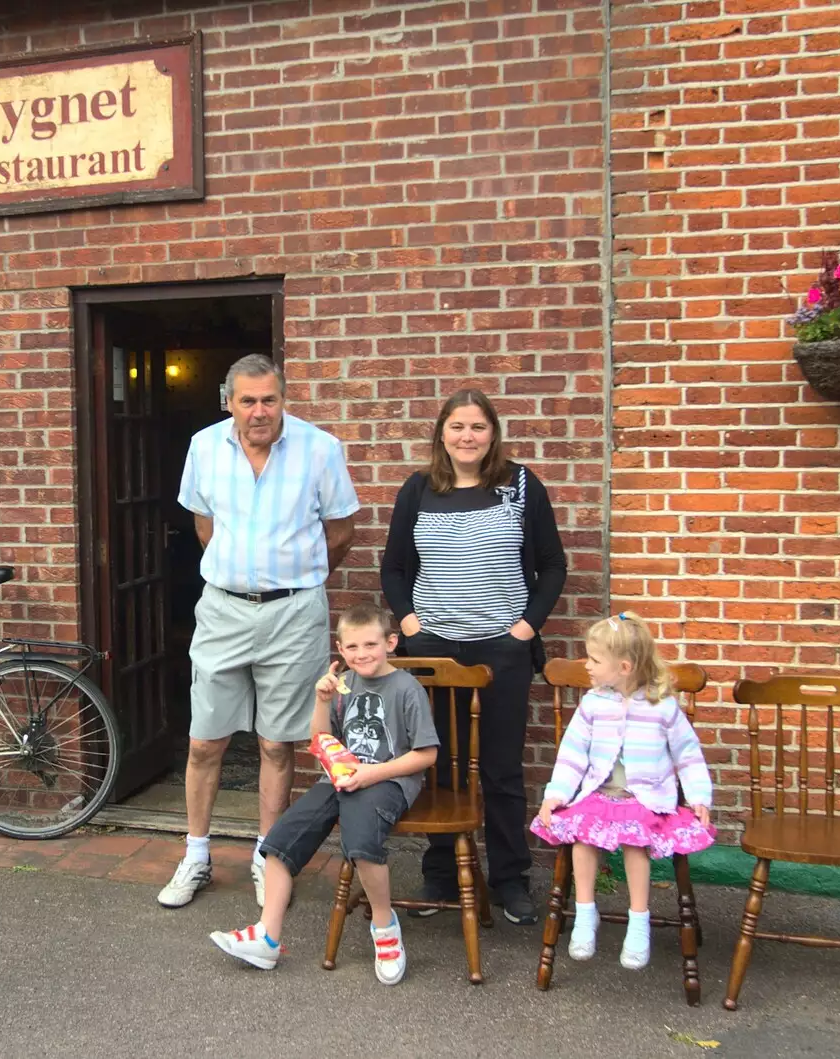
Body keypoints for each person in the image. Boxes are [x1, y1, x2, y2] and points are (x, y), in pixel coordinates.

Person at [159, 354, 360, 910]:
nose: (259, 411)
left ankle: (265, 858)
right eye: (247, 401)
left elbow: (341, 531)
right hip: (223, 610)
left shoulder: (319, 449)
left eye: (269, 399)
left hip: (294, 614)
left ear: (283, 399)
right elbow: (204, 526)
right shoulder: (204, 447)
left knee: (277, 743)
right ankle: (196, 855)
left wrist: (292, 580)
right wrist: (241, 575)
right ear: (229, 401)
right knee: (205, 741)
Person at [379, 388, 567, 924]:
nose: (467, 437)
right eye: (458, 426)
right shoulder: (418, 490)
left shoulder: (521, 487)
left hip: (501, 652)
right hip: (436, 652)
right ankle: (441, 877)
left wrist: (524, 629)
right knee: (441, 766)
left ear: (493, 434)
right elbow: (393, 567)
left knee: (503, 769)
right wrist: (411, 624)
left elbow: (553, 565)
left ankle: (510, 880)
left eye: (478, 427)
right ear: (442, 432)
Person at [209, 604, 438, 984]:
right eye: (352, 647)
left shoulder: (406, 689)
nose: (361, 654)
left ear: (391, 643)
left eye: (370, 644)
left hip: (388, 780)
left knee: (362, 842)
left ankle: (385, 929)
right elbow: (322, 741)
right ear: (340, 648)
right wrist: (323, 701)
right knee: (280, 840)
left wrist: (371, 774)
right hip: (340, 778)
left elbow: (426, 754)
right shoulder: (345, 684)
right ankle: (267, 936)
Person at [532, 613, 716, 969]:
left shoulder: (662, 707)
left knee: (636, 844)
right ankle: (586, 912)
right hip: (598, 795)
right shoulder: (593, 704)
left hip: (645, 798)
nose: (587, 665)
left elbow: (688, 755)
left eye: (595, 660)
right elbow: (572, 755)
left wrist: (698, 798)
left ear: (625, 667)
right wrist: (556, 794)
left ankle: (638, 919)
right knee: (582, 838)